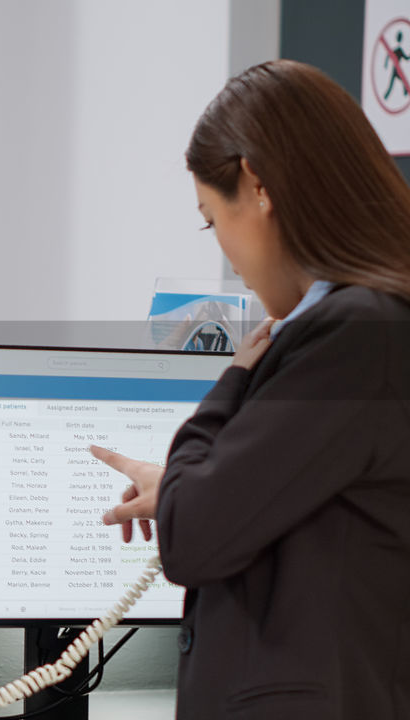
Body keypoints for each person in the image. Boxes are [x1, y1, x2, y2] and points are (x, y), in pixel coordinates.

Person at [90, 60, 410, 719]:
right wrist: (186, 478)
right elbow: (283, 491)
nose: (226, 256)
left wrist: (233, 377)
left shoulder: (353, 336)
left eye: (213, 221)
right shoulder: (373, 327)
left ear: (257, 185)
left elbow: (191, 537)